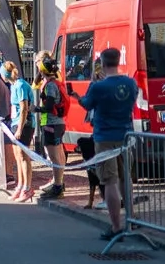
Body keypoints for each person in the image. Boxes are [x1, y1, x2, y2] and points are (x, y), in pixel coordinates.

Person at [66, 47, 137, 240]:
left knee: (109, 181)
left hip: (104, 136)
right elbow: (132, 101)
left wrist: (77, 97)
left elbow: (87, 104)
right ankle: (131, 219)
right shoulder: (130, 83)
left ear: (103, 64)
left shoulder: (99, 87)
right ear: (118, 61)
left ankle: (116, 226)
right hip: (125, 136)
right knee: (125, 178)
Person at [33, 56, 69, 199]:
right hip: (58, 123)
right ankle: (59, 183)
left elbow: (48, 106)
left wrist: (35, 109)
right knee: (58, 155)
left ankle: (58, 186)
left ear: (43, 70)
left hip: (51, 123)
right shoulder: (56, 82)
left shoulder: (50, 86)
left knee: (54, 157)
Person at [2, 61, 37, 201]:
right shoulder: (14, 85)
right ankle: (20, 185)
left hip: (25, 124)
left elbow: (24, 108)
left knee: (23, 156)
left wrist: (20, 129)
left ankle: (27, 187)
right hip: (15, 123)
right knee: (17, 156)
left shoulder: (21, 85)